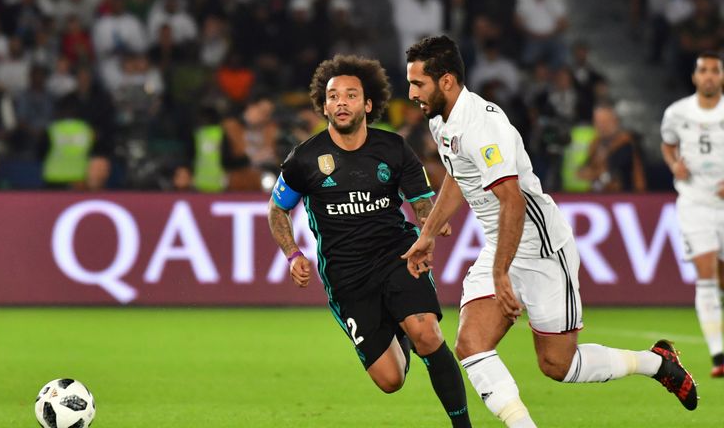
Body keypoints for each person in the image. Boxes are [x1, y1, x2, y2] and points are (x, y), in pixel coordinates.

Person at [402, 35, 698, 427]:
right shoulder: (442, 121)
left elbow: (513, 201)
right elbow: (459, 177)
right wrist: (427, 235)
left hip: (542, 249)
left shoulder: (482, 126)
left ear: (447, 82)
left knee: (558, 364)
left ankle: (655, 362)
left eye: (418, 83)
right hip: (502, 244)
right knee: (471, 344)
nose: (411, 93)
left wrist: (500, 273)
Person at [267, 55, 471, 427]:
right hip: (347, 277)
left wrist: (429, 226)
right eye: (333, 96)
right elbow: (277, 210)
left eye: (350, 95)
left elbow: (421, 201)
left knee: (427, 332)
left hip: (396, 256)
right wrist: (292, 252)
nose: (341, 102)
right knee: (390, 380)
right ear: (324, 105)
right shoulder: (305, 159)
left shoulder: (393, 149)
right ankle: (399, 327)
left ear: (368, 104)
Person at [661, 51, 724, 378]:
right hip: (695, 202)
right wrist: (675, 165)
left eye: (715, 70)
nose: (710, 76)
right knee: (706, 272)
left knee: (720, 277)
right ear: (696, 77)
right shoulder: (677, 112)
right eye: (704, 71)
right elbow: (668, 144)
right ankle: (718, 355)